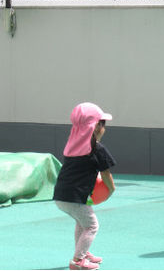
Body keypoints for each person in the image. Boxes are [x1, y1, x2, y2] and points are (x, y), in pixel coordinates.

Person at [53, 102, 116, 270]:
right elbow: (105, 174)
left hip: (61, 195)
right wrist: (111, 189)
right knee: (91, 225)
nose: (105, 128)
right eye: (103, 124)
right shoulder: (97, 149)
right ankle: (77, 261)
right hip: (75, 198)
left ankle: (83, 252)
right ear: (95, 126)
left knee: (81, 223)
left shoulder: (71, 146)